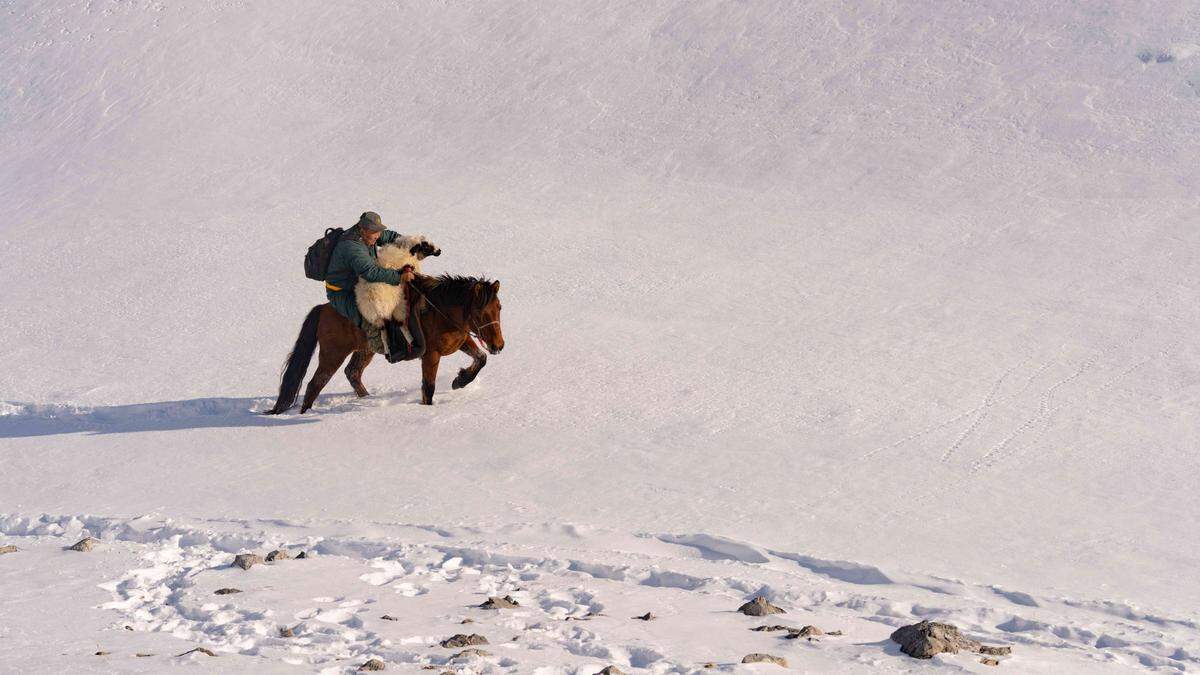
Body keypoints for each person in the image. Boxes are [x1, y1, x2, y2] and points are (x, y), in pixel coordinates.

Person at [324, 211, 417, 355]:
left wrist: (408, 243)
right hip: (342, 292)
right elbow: (371, 272)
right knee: (372, 318)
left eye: (378, 231)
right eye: (374, 232)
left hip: (362, 285)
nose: (378, 235)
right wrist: (400, 276)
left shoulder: (370, 236)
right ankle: (384, 348)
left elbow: (390, 236)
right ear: (363, 229)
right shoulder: (352, 247)